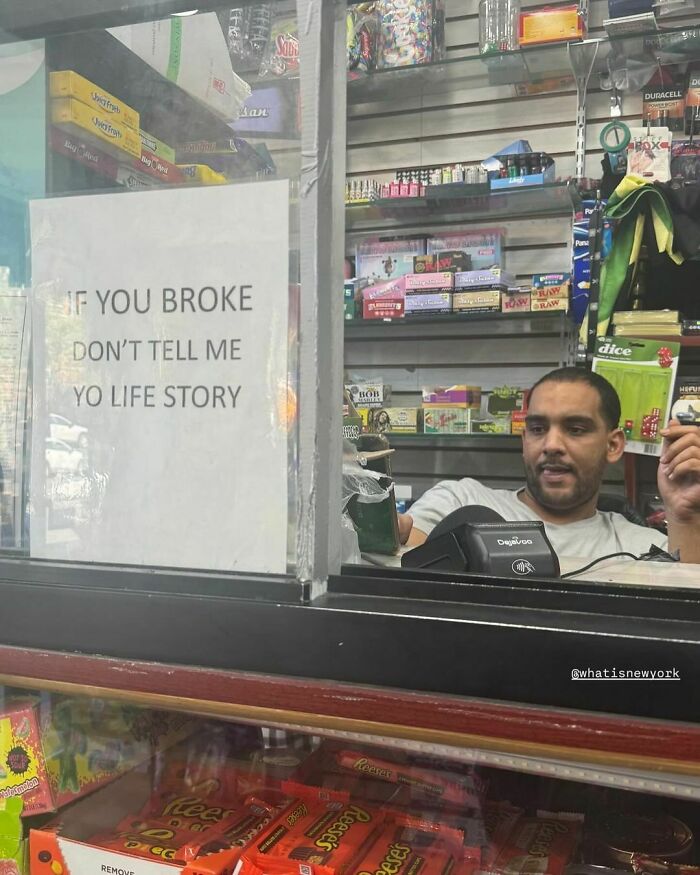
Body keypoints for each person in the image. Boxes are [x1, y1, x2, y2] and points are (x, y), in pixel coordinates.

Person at [398, 367, 700, 564]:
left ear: (613, 445)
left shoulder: (642, 548)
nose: (552, 445)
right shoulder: (459, 500)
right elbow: (405, 560)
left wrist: (683, 516)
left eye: (576, 429)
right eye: (538, 429)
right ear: (524, 439)